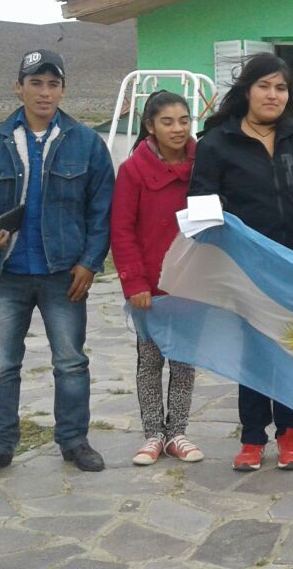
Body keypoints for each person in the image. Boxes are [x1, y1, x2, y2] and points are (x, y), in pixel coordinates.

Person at [0, 49, 114, 480]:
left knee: (70, 362)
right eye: (36, 83)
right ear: (18, 86)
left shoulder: (86, 143)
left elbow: (101, 210)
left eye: (53, 84)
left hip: (64, 274)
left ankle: (74, 441)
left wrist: (89, 263)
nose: (45, 92)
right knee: (2, 364)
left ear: (63, 89)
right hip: (7, 273)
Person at [189, 52, 293, 473]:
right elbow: (201, 204)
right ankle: (252, 437)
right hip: (245, 269)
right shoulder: (217, 143)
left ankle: (291, 433)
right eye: (264, 86)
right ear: (246, 90)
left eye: (281, 88)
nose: (273, 95)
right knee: (254, 354)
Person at [110, 91, 203, 466]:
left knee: (184, 361)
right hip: (149, 287)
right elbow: (122, 230)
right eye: (168, 121)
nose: (178, 129)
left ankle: (177, 432)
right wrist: (134, 282)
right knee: (149, 361)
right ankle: (152, 434)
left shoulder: (203, 165)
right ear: (150, 126)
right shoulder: (133, 170)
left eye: (184, 120)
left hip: (192, 282)